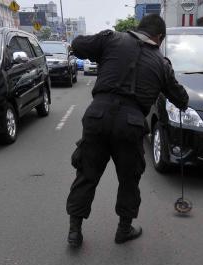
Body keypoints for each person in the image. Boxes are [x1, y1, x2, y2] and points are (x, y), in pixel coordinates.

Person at [65, 14, 189, 247]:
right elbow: (181, 98)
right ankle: (124, 230)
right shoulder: (162, 63)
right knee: (129, 180)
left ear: (138, 28)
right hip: (131, 124)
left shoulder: (112, 39)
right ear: (159, 37)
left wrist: (98, 46)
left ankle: (74, 231)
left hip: (97, 116)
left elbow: (78, 45)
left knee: (87, 174)